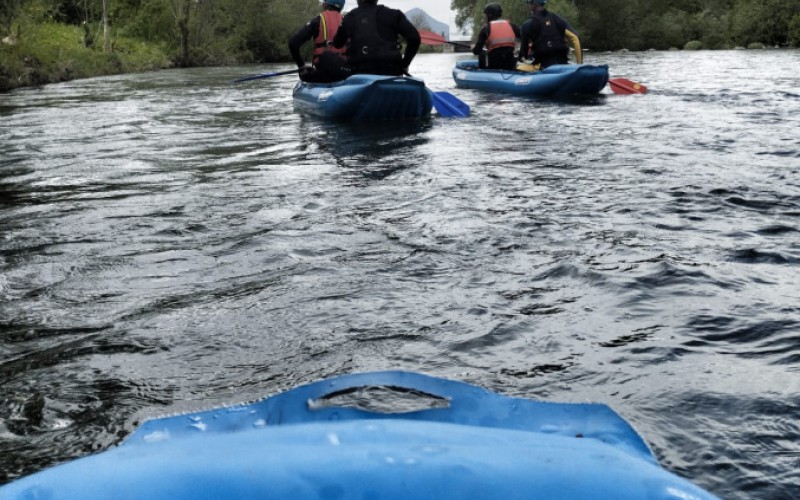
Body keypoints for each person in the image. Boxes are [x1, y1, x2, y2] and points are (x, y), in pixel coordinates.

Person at [331, 0, 420, 76]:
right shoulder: (394, 14)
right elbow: (415, 38)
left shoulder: (349, 18)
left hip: (359, 72)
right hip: (391, 71)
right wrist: (404, 65)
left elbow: (337, 44)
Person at [288, 0, 351, 83]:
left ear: (325, 5)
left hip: (323, 74)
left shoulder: (317, 21)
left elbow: (293, 44)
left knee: (304, 75)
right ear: (341, 7)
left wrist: (301, 66)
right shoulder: (347, 22)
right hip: (345, 72)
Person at [518, 0, 582, 69]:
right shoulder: (557, 19)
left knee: (518, 67)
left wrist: (522, 57)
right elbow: (575, 38)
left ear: (533, 4)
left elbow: (524, 54)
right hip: (563, 63)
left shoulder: (527, 24)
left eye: (529, 3)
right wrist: (579, 66)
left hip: (543, 67)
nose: (528, 5)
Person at [471, 3, 520, 70]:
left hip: (494, 65)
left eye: (486, 15)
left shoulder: (486, 29)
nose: (485, 17)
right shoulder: (511, 26)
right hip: (510, 64)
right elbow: (525, 39)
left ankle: (483, 72)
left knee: (482, 52)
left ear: (490, 15)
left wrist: (473, 48)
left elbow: (476, 51)